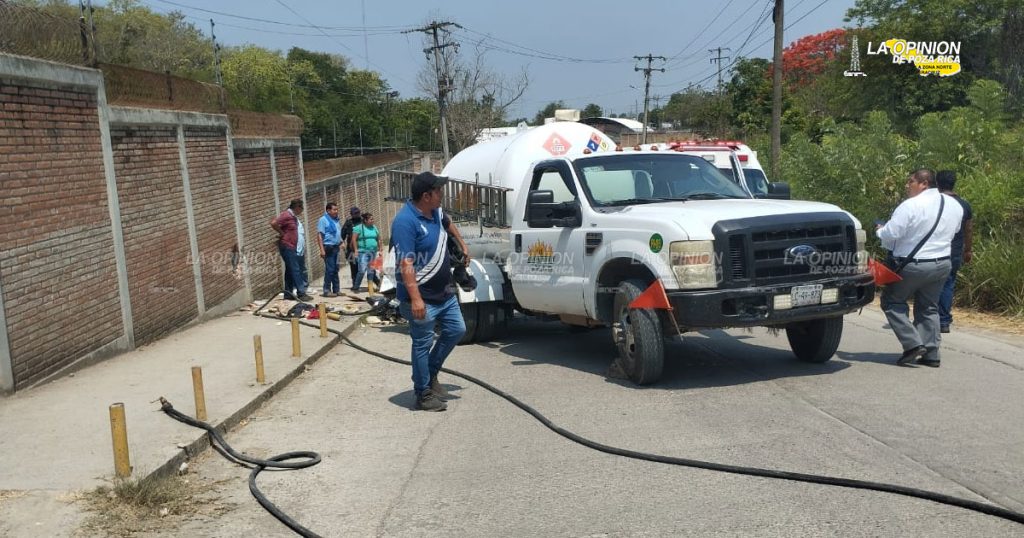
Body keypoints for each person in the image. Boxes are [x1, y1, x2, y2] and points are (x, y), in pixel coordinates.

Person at [391, 172, 468, 411]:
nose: (442, 195)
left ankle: (431, 374)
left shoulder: (435, 212)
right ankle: (422, 393)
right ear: (426, 196)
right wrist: (415, 299)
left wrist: (463, 245)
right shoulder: (405, 222)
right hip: (422, 297)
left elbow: (448, 223)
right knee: (422, 343)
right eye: (439, 191)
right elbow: (406, 263)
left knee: (457, 330)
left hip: (444, 293)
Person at [876, 169, 964, 367]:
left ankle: (913, 344)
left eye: (911, 181)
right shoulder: (954, 205)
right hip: (942, 264)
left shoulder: (910, 205)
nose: (907, 185)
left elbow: (892, 233)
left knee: (892, 301)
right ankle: (931, 353)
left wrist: (881, 231)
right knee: (929, 307)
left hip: (914, 265)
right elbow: (956, 230)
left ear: (924, 183)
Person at [936, 170, 973, 333]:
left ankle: (928, 318)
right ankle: (944, 321)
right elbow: (969, 229)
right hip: (955, 252)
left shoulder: (934, 202)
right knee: (948, 284)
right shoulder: (964, 204)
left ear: (937, 184)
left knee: (930, 285)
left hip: (934, 252)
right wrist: (968, 250)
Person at [271, 199, 312, 301]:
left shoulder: (293, 217)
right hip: (287, 246)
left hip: (292, 246)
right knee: (295, 269)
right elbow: (273, 223)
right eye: (301, 208)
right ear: (297, 207)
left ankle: (288, 294)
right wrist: (281, 233)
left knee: (290, 270)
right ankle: (301, 293)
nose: (302, 211)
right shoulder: (286, 215)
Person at [350, 212, 382, 292]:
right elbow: (354, 239)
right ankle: (356, 286)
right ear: (365, 220)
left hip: (373, 252)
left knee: (371, 270)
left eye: (372, 219)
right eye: (371, 219)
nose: (372, 220)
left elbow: (378, 238)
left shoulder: (374, 227)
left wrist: (380, 249)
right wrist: (356, 250)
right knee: (362, 270)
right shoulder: (358, 228)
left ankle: (370, 287)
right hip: (362, 252)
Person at [317, 202, 342, 297]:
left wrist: (341, 242)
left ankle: (336, 290)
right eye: (334, 209)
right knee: (330, 269)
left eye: (337, 209)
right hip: (328, 247)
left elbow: (337, 233)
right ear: (328, 210)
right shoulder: (323, 220)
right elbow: (320, 235)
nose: (336, 211)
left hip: (336, 247)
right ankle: (326, 290)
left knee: (335, 269)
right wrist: (322, 250)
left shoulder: (335, 220)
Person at [340, 207, 362, 291]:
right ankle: (355, 285)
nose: (357, 215)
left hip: (362, 247)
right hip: (351, 249)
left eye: (358, 213)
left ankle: (376, 282)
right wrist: (342, 243)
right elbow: (342, 234)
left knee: (368, 267)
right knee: (354, 267)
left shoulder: (363, 221)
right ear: (351, 214)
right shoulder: (349, 223)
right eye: (355, 213)